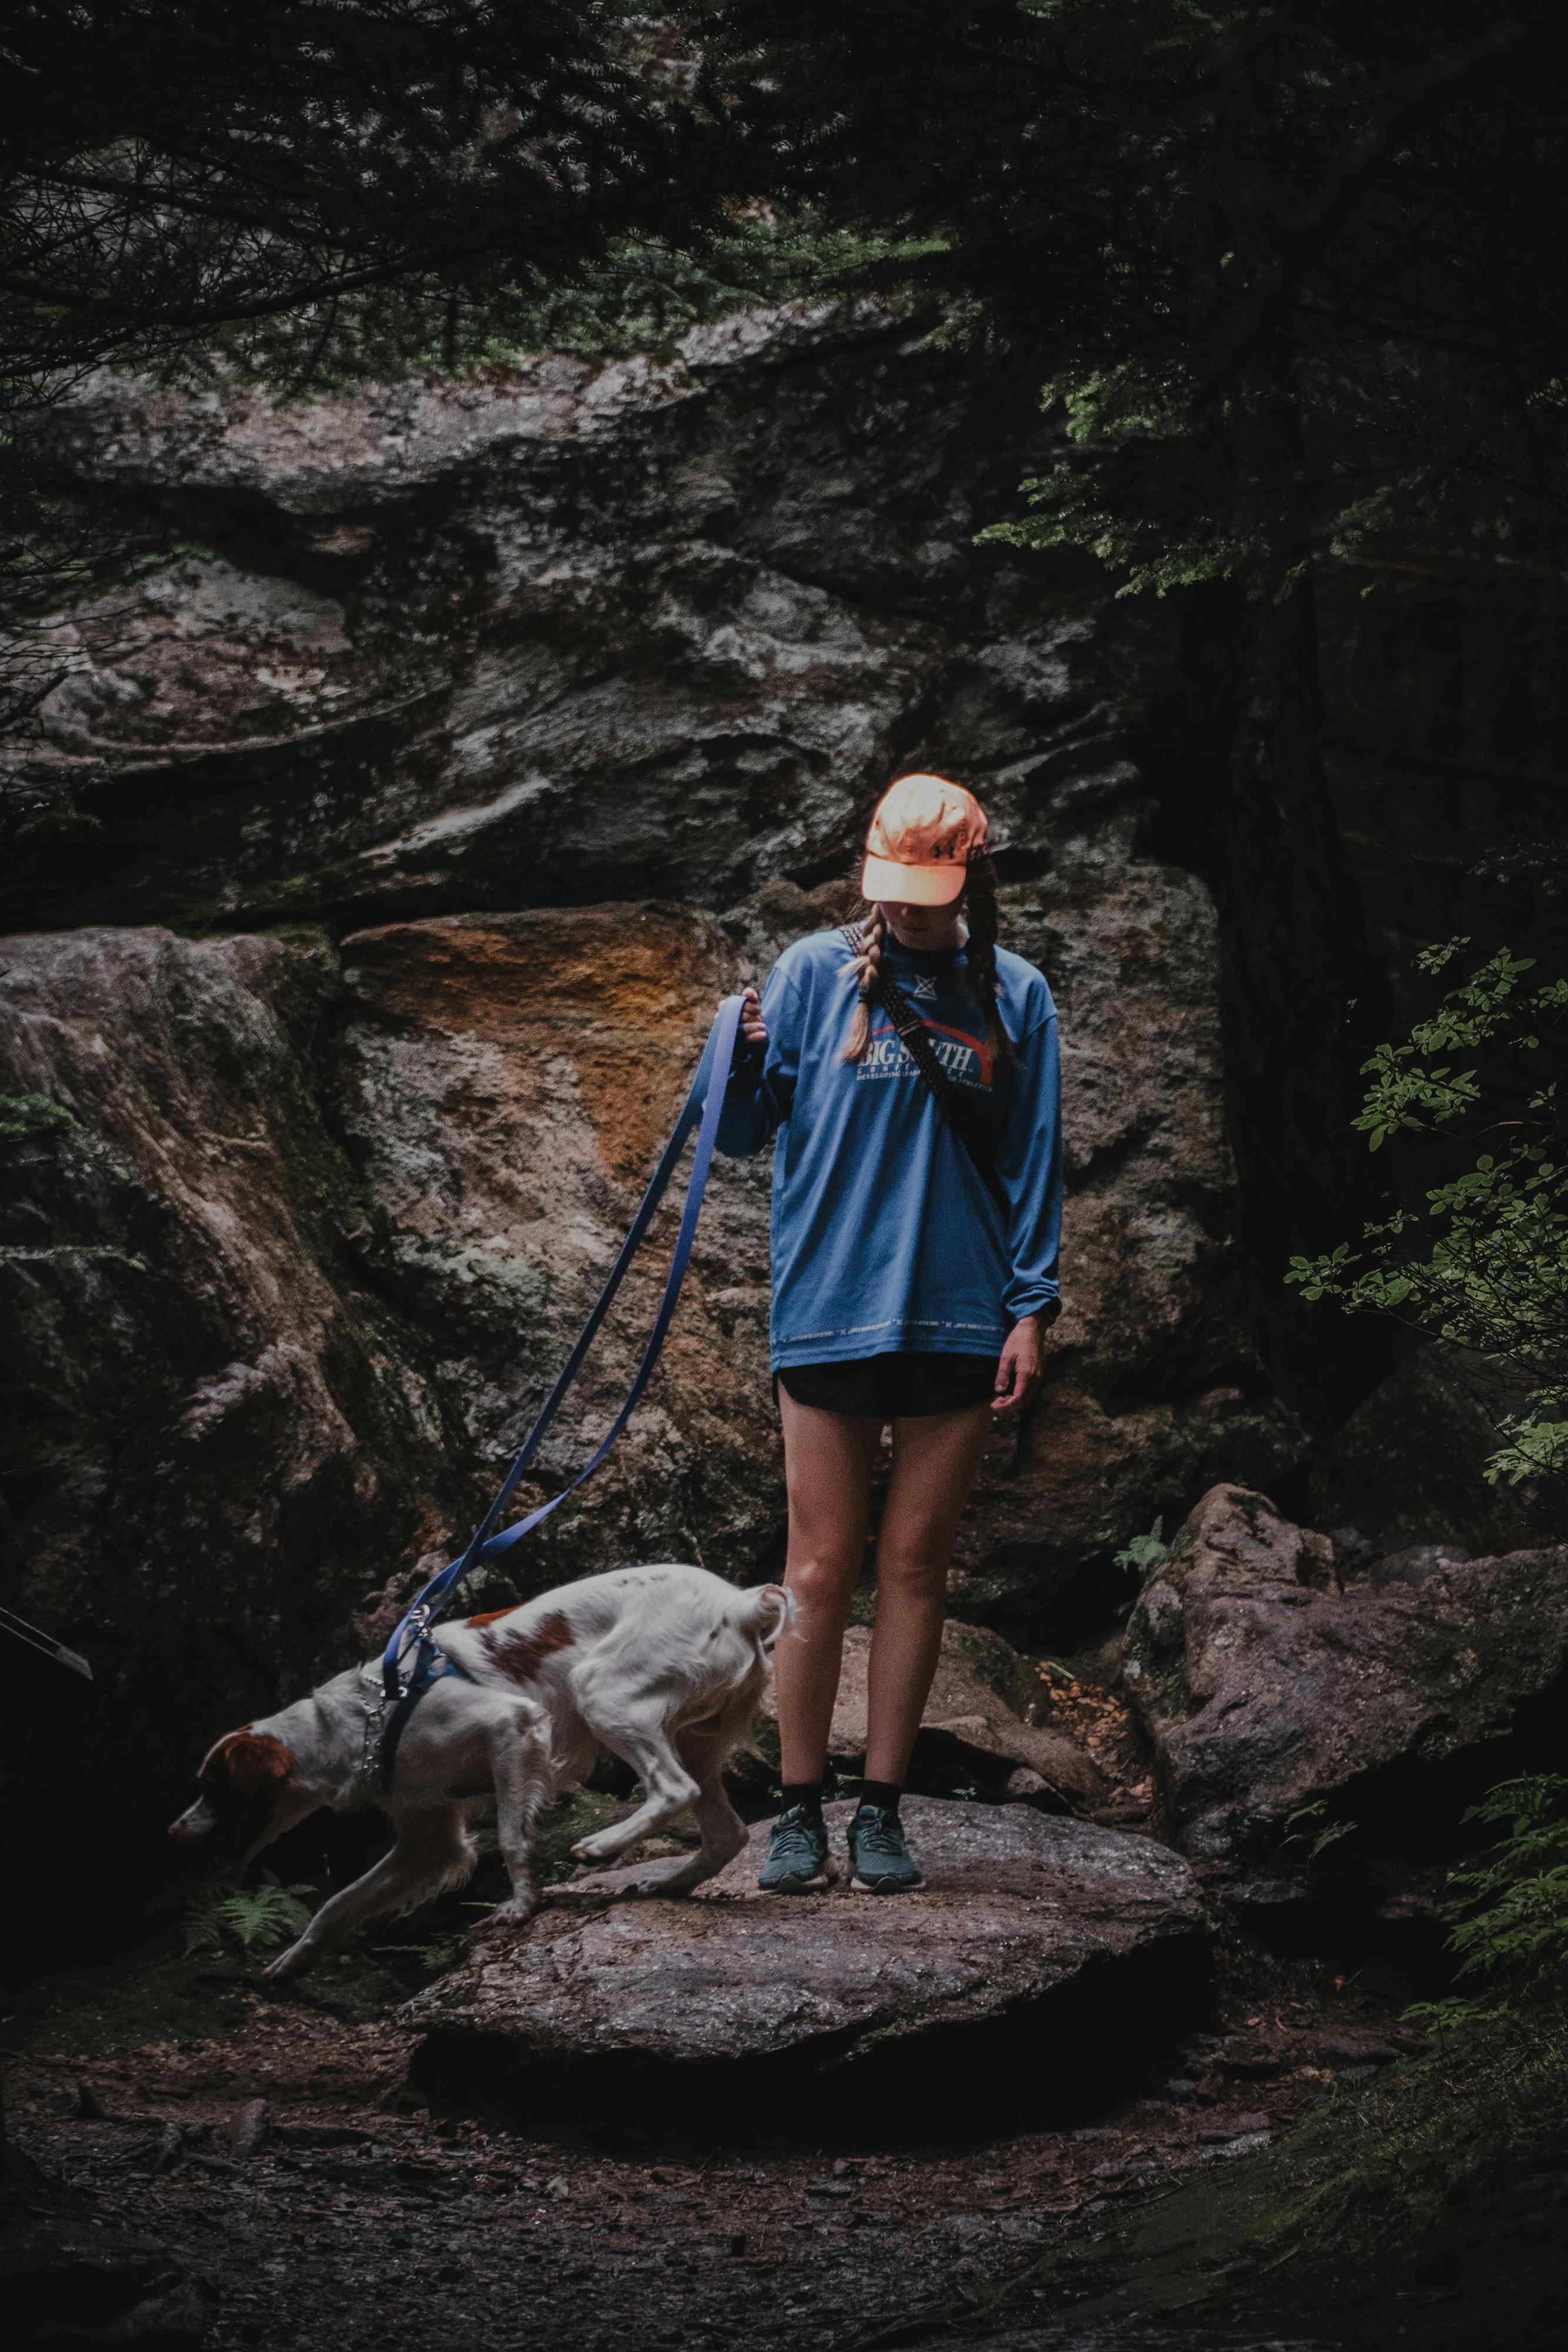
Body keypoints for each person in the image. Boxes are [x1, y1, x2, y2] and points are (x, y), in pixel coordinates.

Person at [717, 773, 1062, 1893]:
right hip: (827, 1309)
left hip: (961, 1313)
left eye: (927, 890)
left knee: (915, 1566)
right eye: (892, 889)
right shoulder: (811, 975)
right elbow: (742, 1133)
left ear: (971, 879)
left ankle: (881, 1810)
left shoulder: (1016, 994)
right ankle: (798, 1810)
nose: (906, 909)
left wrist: (1031, 1307)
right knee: (817, 1569)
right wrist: (737, 1054)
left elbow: (1034, 1160)